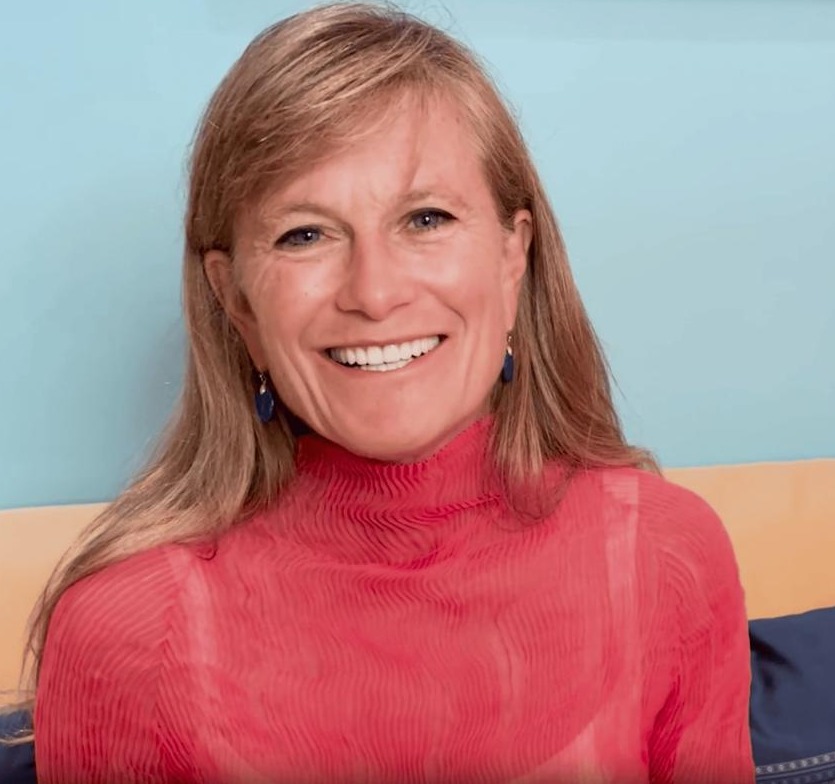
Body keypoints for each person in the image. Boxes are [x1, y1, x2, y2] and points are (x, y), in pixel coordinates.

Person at [13, 3, 754, 782]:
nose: (373, 292)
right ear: (237, 302)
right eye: (305, 234)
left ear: (512, 258)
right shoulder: (125, 627)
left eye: (425, 218)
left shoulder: (664, 553)